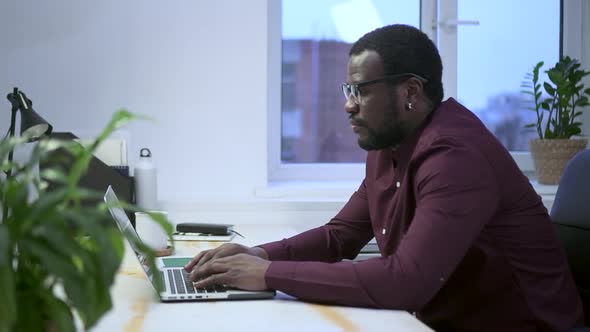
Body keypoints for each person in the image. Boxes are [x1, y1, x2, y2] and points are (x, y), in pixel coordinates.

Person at [184, 24, 584, 331]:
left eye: (360, 90)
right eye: (347, 89)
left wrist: (267, 275)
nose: (347, 105)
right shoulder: (388, 145)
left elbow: (405, 282)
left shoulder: (456, 156)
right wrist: (260, 255)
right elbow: (340, 235)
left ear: (411, 91)